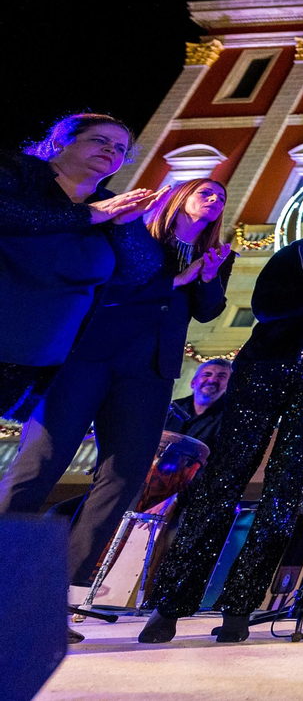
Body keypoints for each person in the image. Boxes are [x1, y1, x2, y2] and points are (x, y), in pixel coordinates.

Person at [139, 196, 303, 645]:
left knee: (285, 489)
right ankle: (170, 606)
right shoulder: (294, 255)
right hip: (263, 370)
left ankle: (240, 607)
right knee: (223, 481)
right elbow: (265, 307)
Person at [0, 177, 234, 623]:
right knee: (41, 461)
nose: (215, 200)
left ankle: (62, 597)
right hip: (89, 356)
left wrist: (205, 278)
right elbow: (112, 290)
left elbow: (207, 310)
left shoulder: (217, 254)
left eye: (221, 198)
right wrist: (177, 279)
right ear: (180, 197)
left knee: (123, 477)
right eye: (206, 192)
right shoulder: (133, 233)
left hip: (150, 371)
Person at [0, 112, 166, 421]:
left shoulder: (109, 202)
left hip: (38, 359)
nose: (110, 150)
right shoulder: (17, 172)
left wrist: (123, 225)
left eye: (119, 148)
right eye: (99, 140)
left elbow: (140, 271)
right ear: (61, 141)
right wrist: (86, 215)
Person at [166, 357, 234, 451]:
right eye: (207, 374)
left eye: (221, 376)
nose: (212, 380)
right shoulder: (171, 407)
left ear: (228, 386)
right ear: (193, 383)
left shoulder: (230, 417)